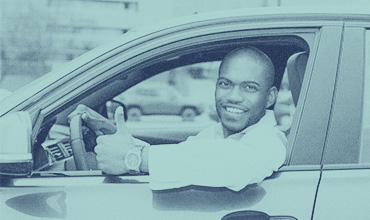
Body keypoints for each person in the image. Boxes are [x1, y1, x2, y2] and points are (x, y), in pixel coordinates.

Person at [68, 46, 287, 191]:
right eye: (225, 84)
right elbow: (185, 156)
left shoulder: (270, 141)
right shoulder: (215, 133)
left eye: (249, 87)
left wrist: (133, 158)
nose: (233, 97)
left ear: (270, 98)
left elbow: (233, 165)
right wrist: (114, 133)